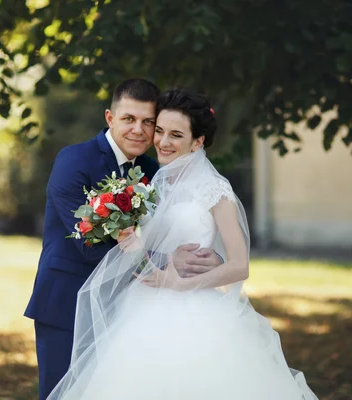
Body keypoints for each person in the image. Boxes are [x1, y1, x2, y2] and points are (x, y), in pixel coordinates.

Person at [46, 89, 319, 400]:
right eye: (159, 131)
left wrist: (181, 281)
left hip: (193, 312)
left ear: (198, 140)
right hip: (139, 307)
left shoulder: (215, 190)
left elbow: (239, 265)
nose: (163, 141)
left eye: (176, 134)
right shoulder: (153, 181)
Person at [23, 79, 223, 400]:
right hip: (67, 305)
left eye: (148, 122)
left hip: (128, 312)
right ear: (109, 118)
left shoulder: (151, 169)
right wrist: (170, 261)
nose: (139, 131)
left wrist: (201, 260)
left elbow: (169, 228)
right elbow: (87, 245)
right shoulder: (74, 161)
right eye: (129, 119)